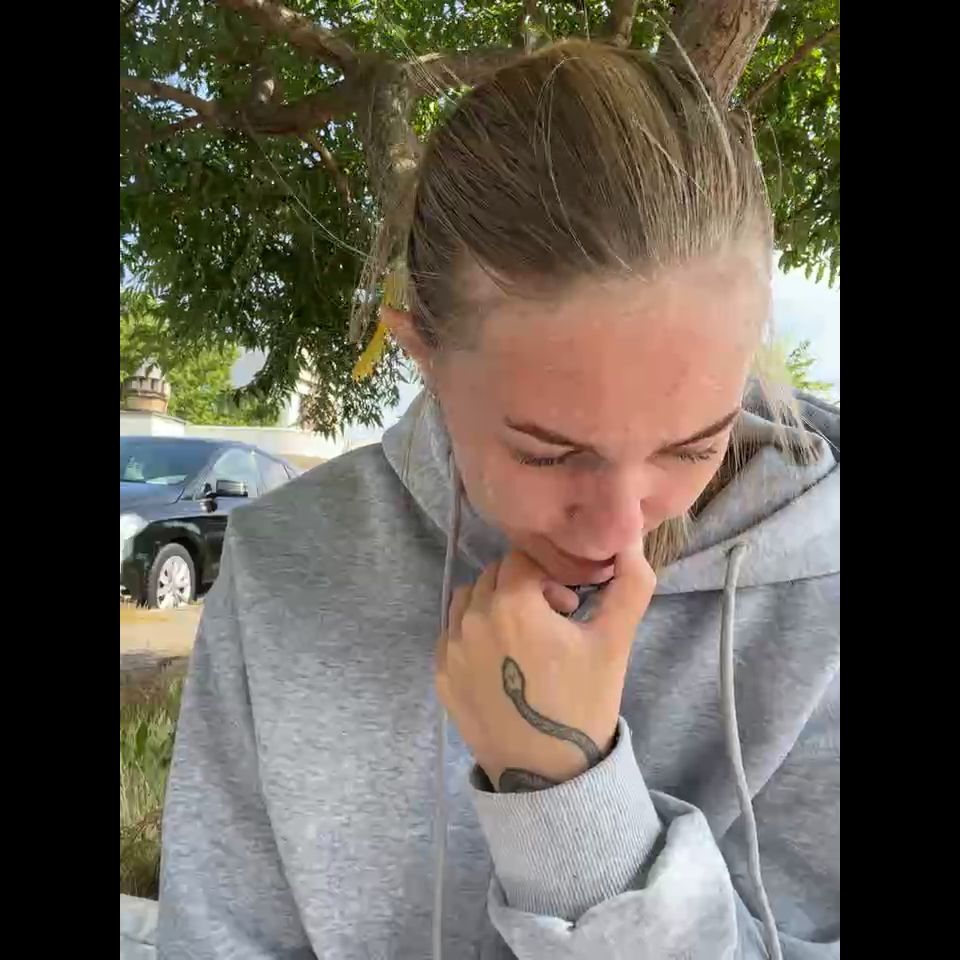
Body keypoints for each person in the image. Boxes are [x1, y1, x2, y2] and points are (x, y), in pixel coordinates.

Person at [158, 40, 839, 960]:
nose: (620, 528)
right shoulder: (285, 568)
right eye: (549, 453)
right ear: (424, 355)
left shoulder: (822, 603)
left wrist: (567, 802)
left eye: (691, 446)